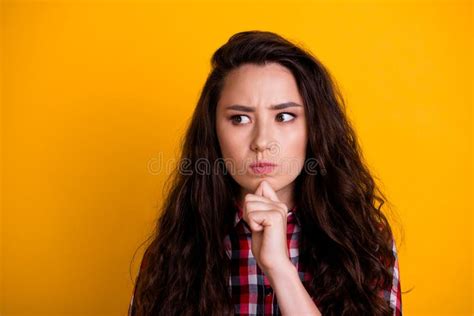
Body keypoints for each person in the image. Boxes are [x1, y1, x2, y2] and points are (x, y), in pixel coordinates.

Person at [128, 30, 403, 315]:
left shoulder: (362, 240)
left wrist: (279, 269)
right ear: (213, 133)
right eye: (240, 118)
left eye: (284, 116)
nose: (261, 142)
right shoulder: (176, 247)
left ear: (315, 129)